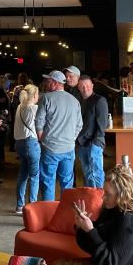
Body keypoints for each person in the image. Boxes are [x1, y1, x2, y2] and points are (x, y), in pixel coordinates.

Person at [34, 70, 82, 201]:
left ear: (55, 83)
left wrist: (42, 138)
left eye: (48, 81)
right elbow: (79, 125)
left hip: (50, 148)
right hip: (69, 148)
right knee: (67, 183)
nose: (46, 83)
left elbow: (39, 122)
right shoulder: (74, 101)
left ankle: (49, 214)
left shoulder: (46, 98)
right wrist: (71, 139)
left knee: (48, 181)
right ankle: (65, 215)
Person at [13, 84, 41, 214]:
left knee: (23, 174)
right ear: (35, 95)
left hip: (19, 144)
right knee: (34, 176)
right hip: (31, 143)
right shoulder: (35, 108)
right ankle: (32, 206)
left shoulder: (19, 107)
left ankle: (20, 205)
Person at [76, 76, 108, 189]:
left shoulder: (100, 100)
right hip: (81, 143)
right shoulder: (80, 101)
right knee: (87, 174)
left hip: (94, 143)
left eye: (88, 86)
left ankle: (99, 200)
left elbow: (102, 125)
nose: (85, 88)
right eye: (82, 86)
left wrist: (95, 144)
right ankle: (91, 199)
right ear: (78, 88)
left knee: (96, 174)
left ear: (92, 86)